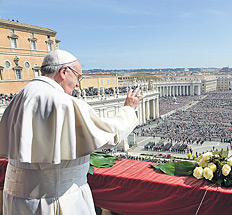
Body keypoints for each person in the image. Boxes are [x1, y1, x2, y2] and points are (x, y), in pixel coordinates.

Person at [0, 49, 144, 215]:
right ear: (63, 72)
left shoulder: (21, 96)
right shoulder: (64, 103)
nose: (77, 84)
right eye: (78, 77)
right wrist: (128, 109)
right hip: (57, 200)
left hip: (16, 200)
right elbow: (109, 136)